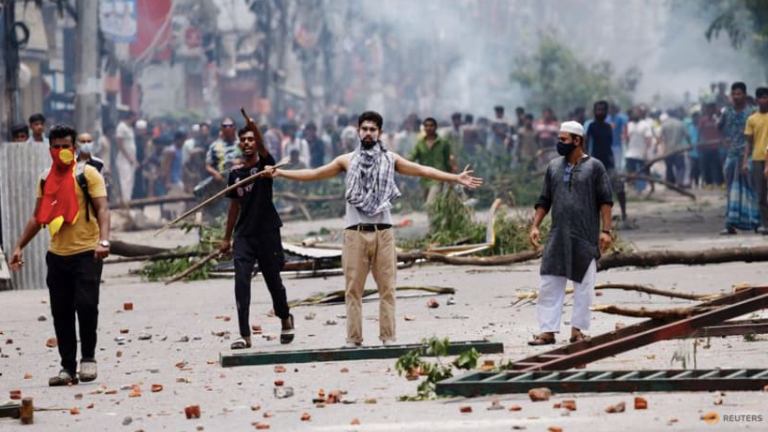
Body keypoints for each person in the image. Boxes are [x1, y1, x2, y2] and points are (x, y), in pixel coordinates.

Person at [266, 111, 482, 347]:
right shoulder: (345, 160)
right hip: (354, 232)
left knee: (387, 289)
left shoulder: (391, 159)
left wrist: (455, 178)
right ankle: (353, 339)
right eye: (365, 129)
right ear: (359, 131)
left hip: (384, 232)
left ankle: (388, 338)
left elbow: (422, 170)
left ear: (379, 133)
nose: (368, 133)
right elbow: (314, 174)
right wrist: (281, 173)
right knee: (353, 290)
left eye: (373, 129)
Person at [9, 125, 111, 386]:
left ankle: (88, 358)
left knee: (87, 306)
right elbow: (37, 216)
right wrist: (20, 246)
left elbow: (103, 210)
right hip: (57, 255)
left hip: (87, 252)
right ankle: (68, 367)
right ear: (50, 149)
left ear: (74, 149)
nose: (61, 151)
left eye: (66, 146)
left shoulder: (88, 174)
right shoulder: (45, 178)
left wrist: (104, 240)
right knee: (61, 312)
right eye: (57, 147)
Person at [528, 121, 613, 346]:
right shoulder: (554, 167)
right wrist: (535, 225)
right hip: (557, 235)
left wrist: (606, 230)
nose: (559, 143)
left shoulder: (595, 167)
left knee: (584, 286)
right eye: (558, 139)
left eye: (563, 139)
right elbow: (544, 199)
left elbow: (605, 200)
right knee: (549, 282)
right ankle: (547, 331)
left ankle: (577, 331)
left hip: (584, 236)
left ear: (577, 141)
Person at [219, 123, 294, 349]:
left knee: (273, 281)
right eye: (244, 140)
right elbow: (234, 207)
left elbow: (262, 148)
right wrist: (226, 237)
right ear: (239, 144)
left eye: (251, 139)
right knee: (241, 282)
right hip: (244, 235)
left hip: (268, 233)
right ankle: (245, 335)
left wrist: (255, 128)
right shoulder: (235, 174)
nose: (247, 143)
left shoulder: (265, 166)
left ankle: (285, 318)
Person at [718, 82, 759, 234]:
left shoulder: (753, 111)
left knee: (752, 188)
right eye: (734, 94)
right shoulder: (726, 112)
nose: (736, 97)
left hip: (750, 154)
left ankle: (756, 222)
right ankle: (730, 223)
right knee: (731, 189)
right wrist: (725, 142)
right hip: (732, 154)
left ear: (745, 95)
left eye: (739, 94)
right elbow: (719, 127)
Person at [586, 100, 627, 221]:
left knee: (619, 187)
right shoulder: (592, 126)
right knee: (594, 191)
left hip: (609, 163)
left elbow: (609, 146)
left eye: (603, 110)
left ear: (607, 111)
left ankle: (624, 214)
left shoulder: (609, 126)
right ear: (594, 112)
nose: (601, 112)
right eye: (598, 110)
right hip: (595, 163)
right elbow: (585, 143)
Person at [409, 117, 453, 205]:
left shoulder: (443, 143)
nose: (429, 128)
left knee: (431, 202)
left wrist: (450, 177)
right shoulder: (419, 143)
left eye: (431, 125)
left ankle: (433, 218)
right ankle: (433, 219)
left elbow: (448, 161)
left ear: (436, 127)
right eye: (426, 126)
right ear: (424, 128)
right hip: (424, 178)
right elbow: (412, 157)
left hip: (438, 177)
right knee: (427, 204)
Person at [745, 87, 768, 234]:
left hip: (766, 159)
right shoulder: (752, 119)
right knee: (761, 194)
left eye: (766, 97)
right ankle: (765, 224)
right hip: (757, 158)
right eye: (761, 97)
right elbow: (749, 142)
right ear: (756, 100)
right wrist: (744, 160)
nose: (763, 100)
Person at [659, 109, 690, 186]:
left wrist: (662, 148)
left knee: (669, 167)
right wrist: (690, 144)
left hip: (668, 150)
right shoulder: (680, 124)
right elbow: (687, 136)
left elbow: (660, 137)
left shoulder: (664, 124)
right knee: (681, 167)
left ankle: (670, 183)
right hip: (679, 150)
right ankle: (679, 181)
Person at [624, 107, 653, 192]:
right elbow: (627, 138)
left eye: (637, 113)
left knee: (641, 173)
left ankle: (641, 189)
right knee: (630, 172)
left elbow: (648, 139)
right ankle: (632, 189)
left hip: (641, 154)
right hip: (630, 153)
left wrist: (645, 151)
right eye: (633, 113)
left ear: (640, 114)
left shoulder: (645, 125)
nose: (635, 114)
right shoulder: (629, 125)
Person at [698, 103, 724, 188]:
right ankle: (709, 183)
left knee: (718, 165)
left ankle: (721, 182)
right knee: (706, 166)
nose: (710, 111)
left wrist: (721, 140)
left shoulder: (717, 119)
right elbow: (700, 132)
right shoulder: (703, 120)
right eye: (709, 109)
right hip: (705, 147)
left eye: (712, 109)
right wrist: (700, 143)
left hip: (715, 147)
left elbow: (720, 131)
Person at [116, 111, 138, 202]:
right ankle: (125, 201)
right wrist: (128, 158)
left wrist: (133, 159)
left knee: (131, 181)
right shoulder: (121, 127)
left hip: (132, 159)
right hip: (124, 159)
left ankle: (128, 199)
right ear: (131, 117)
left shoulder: (131, 129)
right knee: (125, 180)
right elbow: (120, 144)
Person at [607, 104, 628, 171]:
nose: (610, 111)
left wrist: (624, 135)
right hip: (608, 145)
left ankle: (618, 177)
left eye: (611, 109)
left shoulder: (620, 118)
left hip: (617, 144)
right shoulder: (607, 119)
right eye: (609, 109)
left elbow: (625, 126)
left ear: (615, 110)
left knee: (618, 164)